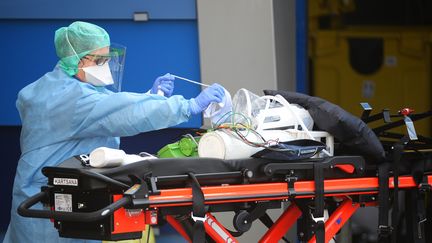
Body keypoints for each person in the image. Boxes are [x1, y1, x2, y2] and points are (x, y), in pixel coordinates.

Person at [4, 21, 226, 243]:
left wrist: (152, 95)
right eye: (100, 60)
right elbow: (120, 112)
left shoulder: (55, 88)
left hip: (59, 194)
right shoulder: (70, 99)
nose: (106, 65)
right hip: (49, 208)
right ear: (77, 60)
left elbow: (106, 109)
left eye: (108, 59)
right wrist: (188, 106)